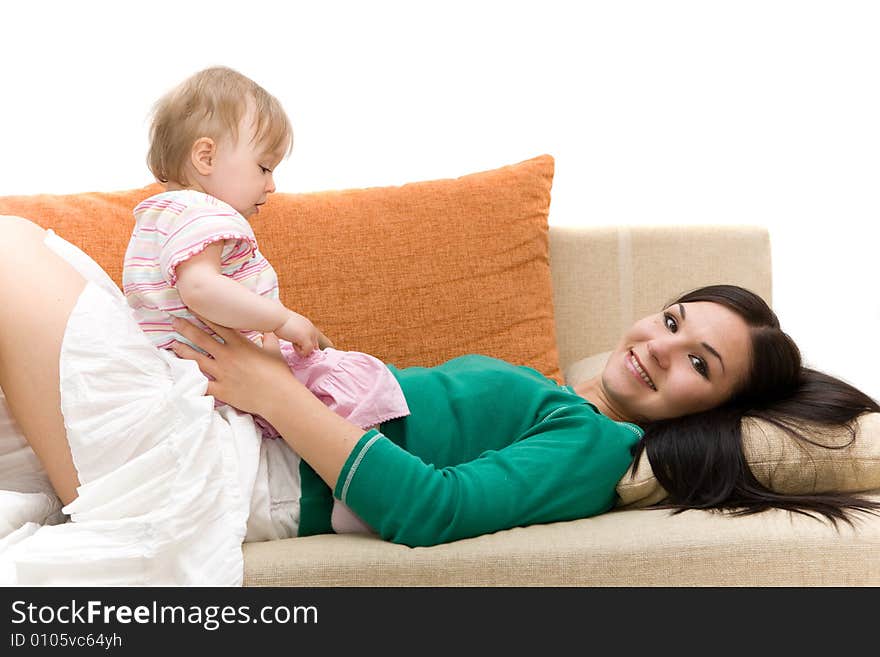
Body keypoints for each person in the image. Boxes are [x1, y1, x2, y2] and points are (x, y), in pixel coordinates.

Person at [0, 219, 877, 584]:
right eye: (674, 320)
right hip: (218, 428)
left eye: (698, 363)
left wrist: (270, 386)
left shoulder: (596, 445)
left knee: (12, 252)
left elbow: (432, 508)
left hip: (227, 471)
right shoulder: (561, 392)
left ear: (708, 412)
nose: (657, 347)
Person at [123, 66, 409, 533]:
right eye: (263, 167)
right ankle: (356, 493)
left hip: (192, 379)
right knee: (354, 379)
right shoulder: (204, 211)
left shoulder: (158, 216)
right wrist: (281, 320)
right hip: (219, 374)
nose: (272, 185)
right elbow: (200, 288)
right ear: (205, 157)